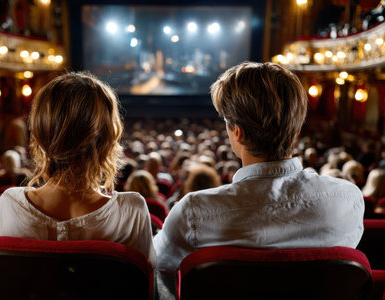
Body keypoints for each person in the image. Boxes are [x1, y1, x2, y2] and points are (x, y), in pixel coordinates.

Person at [153, 62, 364, 273]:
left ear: (238, 132)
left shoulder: (194, 212)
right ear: (297, 124)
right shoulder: (347, 198)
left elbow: (156, 264)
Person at [0, 72, 156, 266]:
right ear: (107, 139)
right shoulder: (131, 211)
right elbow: (144, 283)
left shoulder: (11, 203)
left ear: (40, 133)